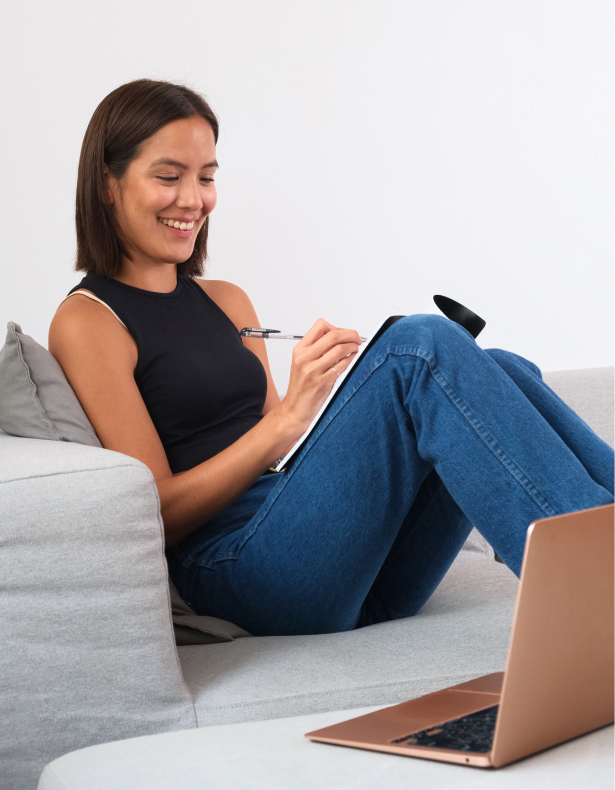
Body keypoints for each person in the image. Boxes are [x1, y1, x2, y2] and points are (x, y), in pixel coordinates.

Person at [49, 79, 614, 637]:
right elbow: (158, 515)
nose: (194, 200)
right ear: (107, 184)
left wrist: (329, 402)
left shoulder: (226, 299)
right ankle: (596, 583)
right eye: (168, 177)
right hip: (241, 570)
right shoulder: (89, 321)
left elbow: (280, 457)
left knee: (504, 368)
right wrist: (291, 417)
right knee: (421, 346)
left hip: (348, 572)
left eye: (207, 177)